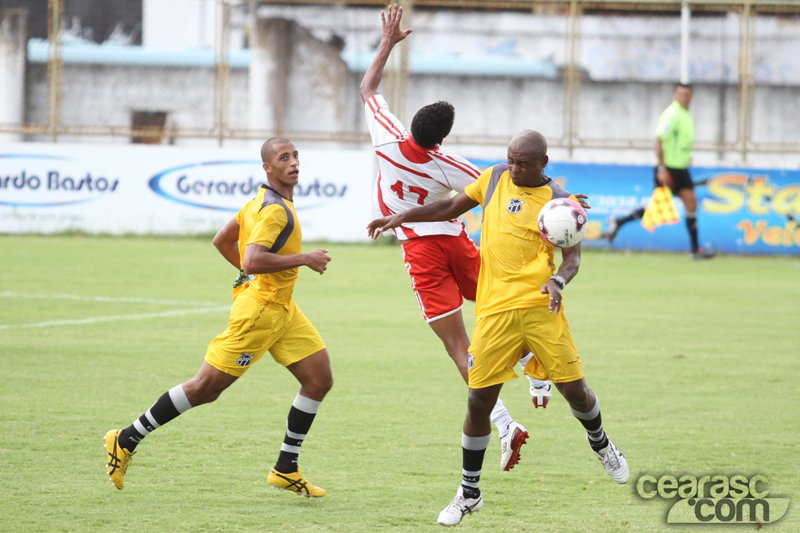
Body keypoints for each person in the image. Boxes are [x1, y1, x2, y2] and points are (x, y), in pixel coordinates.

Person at [368, 130, 629, 527]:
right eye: (510, 159)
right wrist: (403, 216)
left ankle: (601, 442)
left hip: (542, 310)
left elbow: (572, 259)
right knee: (478, 400)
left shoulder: (562, 204)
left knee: (575, 391)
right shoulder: (493, 179)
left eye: (522, 163)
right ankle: (469, 492)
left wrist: (558, 281)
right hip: (493, 314)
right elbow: (450, 207)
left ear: (543, 162)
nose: (513, 167)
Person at [360, 3, 553, 471]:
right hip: (457, 242)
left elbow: (368, 87)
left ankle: (505, 424)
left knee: (458, 346)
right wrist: (558, 197)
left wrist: (387, 43)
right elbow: (503, 181)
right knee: (503, 307)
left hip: (421, 249)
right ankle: (537, 372)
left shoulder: (386, 137)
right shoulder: (450, 164)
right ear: (442, 138)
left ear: (411, 126)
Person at [104, 137, 334, 497]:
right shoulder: (273, 210)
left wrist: (258, 275)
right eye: (283, 158)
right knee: (205, 389)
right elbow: (251, 260)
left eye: (295, 156)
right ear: (268, 168)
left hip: (284, 309)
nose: (293, 163)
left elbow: (222, 240)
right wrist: (302, 258)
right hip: (260, 312)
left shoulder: (260, 202)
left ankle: (285, 468)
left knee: (319, 379)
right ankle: (126, 438)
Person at [604, 83, 715, 260]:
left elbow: (679, 143)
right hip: (668, 169)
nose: (683, 97)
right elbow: (658, 141)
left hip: (681, 168)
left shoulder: (686, 115)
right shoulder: (671, 114)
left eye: (686, 94)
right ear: (675, 95)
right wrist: (661, 168)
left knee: (691, 204)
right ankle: (619, 221)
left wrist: (685, 158)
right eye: (680, 94)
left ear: (691, 96)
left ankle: (695, 250)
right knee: (657, 207)